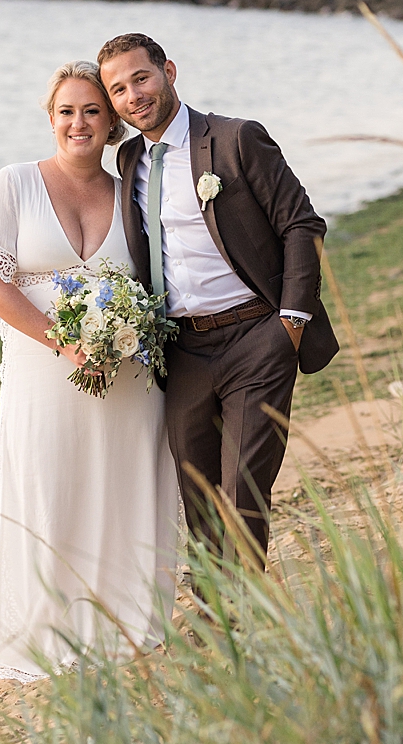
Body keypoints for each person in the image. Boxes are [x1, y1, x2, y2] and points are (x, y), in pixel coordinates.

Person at [0, 61, 179, 686]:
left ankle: (124, 623)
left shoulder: (132, 193)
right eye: (66, 111)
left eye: (91, 111)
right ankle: (45, 629)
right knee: (47, 485)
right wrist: (68, 343)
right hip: (43, 372)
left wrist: (127, 333)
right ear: (50, 118)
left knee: (120, 485)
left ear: (111, 122)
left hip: (127, 379)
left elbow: (157, 275)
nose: (77, 122)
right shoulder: (14, 184)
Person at [99, 32, 338, 565]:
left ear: (170, 72)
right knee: (199, 497)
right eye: (118, 90)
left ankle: (246, 616)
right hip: (184, 352)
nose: (134, 95)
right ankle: (216, 620)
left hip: (259, 337)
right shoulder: (128, 161)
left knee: (244, 490)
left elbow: (302, 224)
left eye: (141, 77)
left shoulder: (235, 139)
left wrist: (290, 324)